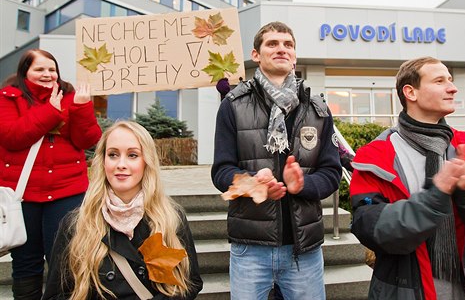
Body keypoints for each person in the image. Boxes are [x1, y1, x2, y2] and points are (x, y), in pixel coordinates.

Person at [349, 56, 465, 300]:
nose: (452, 87)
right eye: (439, 81)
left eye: (450, 79)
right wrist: (435, 197)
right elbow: (371, 229)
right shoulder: (376, 156)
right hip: (403, 290)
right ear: (410, 92)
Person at [211, 21, 342, 299]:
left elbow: (332, 171)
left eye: (288, 44)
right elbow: (221, 171)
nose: (282, 49)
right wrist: (252, 185)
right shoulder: (233, 105)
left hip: (303, 250)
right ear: (256, 54)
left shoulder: (317, 108)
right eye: (272, 44)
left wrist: (302, 184)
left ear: (294, 55)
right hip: (250, 248)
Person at [43, 120, 203, 299]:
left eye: (132, 155)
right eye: (113, 154)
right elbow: (55, 294)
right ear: (103, 161)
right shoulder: (76, 224)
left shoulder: (170, 217)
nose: (121, 164)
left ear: (146, 162)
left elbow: (190, 283)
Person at [0, 49, 102, 300]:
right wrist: (50, 112)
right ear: (25, 72)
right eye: (39, 69)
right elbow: (12, 137)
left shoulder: (71, 96)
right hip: (23, 196)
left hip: (67, 192)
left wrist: (82, 108)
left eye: (51, 69)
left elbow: (88, 139)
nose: (47, 74)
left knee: (66, 259)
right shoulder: (7, 99)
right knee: (26, 262)